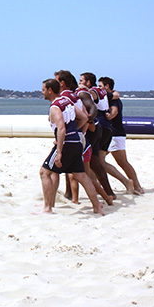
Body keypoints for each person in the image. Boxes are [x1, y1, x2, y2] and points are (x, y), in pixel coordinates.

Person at [34, 78, 104, 216]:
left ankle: (47, 208)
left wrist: (59, 152)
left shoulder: (55, 107)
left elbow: (61, 128)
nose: (42, 92)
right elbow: (84, 118)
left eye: (43, 89)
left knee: (44, 172)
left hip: (66, 144)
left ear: (50, 90)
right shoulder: (68, 102)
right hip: (76, 142)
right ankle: (97, 207)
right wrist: (74, 131)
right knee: (81, 175)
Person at [53, 70, 112, 206]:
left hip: (82, 134)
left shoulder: (74, 95)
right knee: (83, 171)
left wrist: (78, 130)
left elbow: (89, 113)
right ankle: (104, 196)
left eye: (82, 80)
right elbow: (86, 115)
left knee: (78, 171)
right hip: (86, 133)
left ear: (62, 83)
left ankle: (58, 201)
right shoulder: (76, 95)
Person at [100, 76, 144, 195]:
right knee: (121, 162)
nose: (99, 88)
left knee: (100, 161)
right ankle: (136, 186)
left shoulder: (113, 99)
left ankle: (131, 184)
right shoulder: (109, 98)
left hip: (114, 135)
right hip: (115, 134)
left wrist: (110, 115)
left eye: (100, 86)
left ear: (107, 87)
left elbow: (114, 110)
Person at [80, 72, 116, 199]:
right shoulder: (102, 91)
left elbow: (92, 105)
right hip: (106, 127)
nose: (80, 83)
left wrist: (89, 119)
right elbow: (115, 95)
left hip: (99, 127)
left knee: (93, 162)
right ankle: (106, 191)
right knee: (97, 162)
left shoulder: (92, 92)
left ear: (88, 82)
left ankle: (101, 191)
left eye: (81, 81)